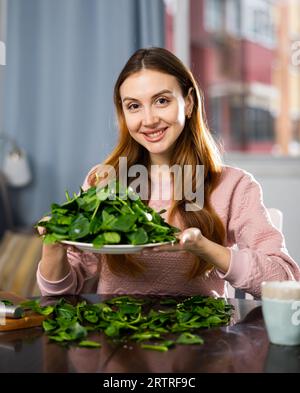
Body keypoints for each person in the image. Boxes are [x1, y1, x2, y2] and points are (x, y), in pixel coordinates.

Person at [37, 47, 300, 298]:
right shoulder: (104, 180)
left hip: (205, 337)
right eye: (134, 106)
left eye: (161, 101)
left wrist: (203, 247)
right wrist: (53, 247)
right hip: (118, 336)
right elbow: (61, 294)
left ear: (187, 102)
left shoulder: (234, 186)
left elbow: (286, 281)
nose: (149, 119)